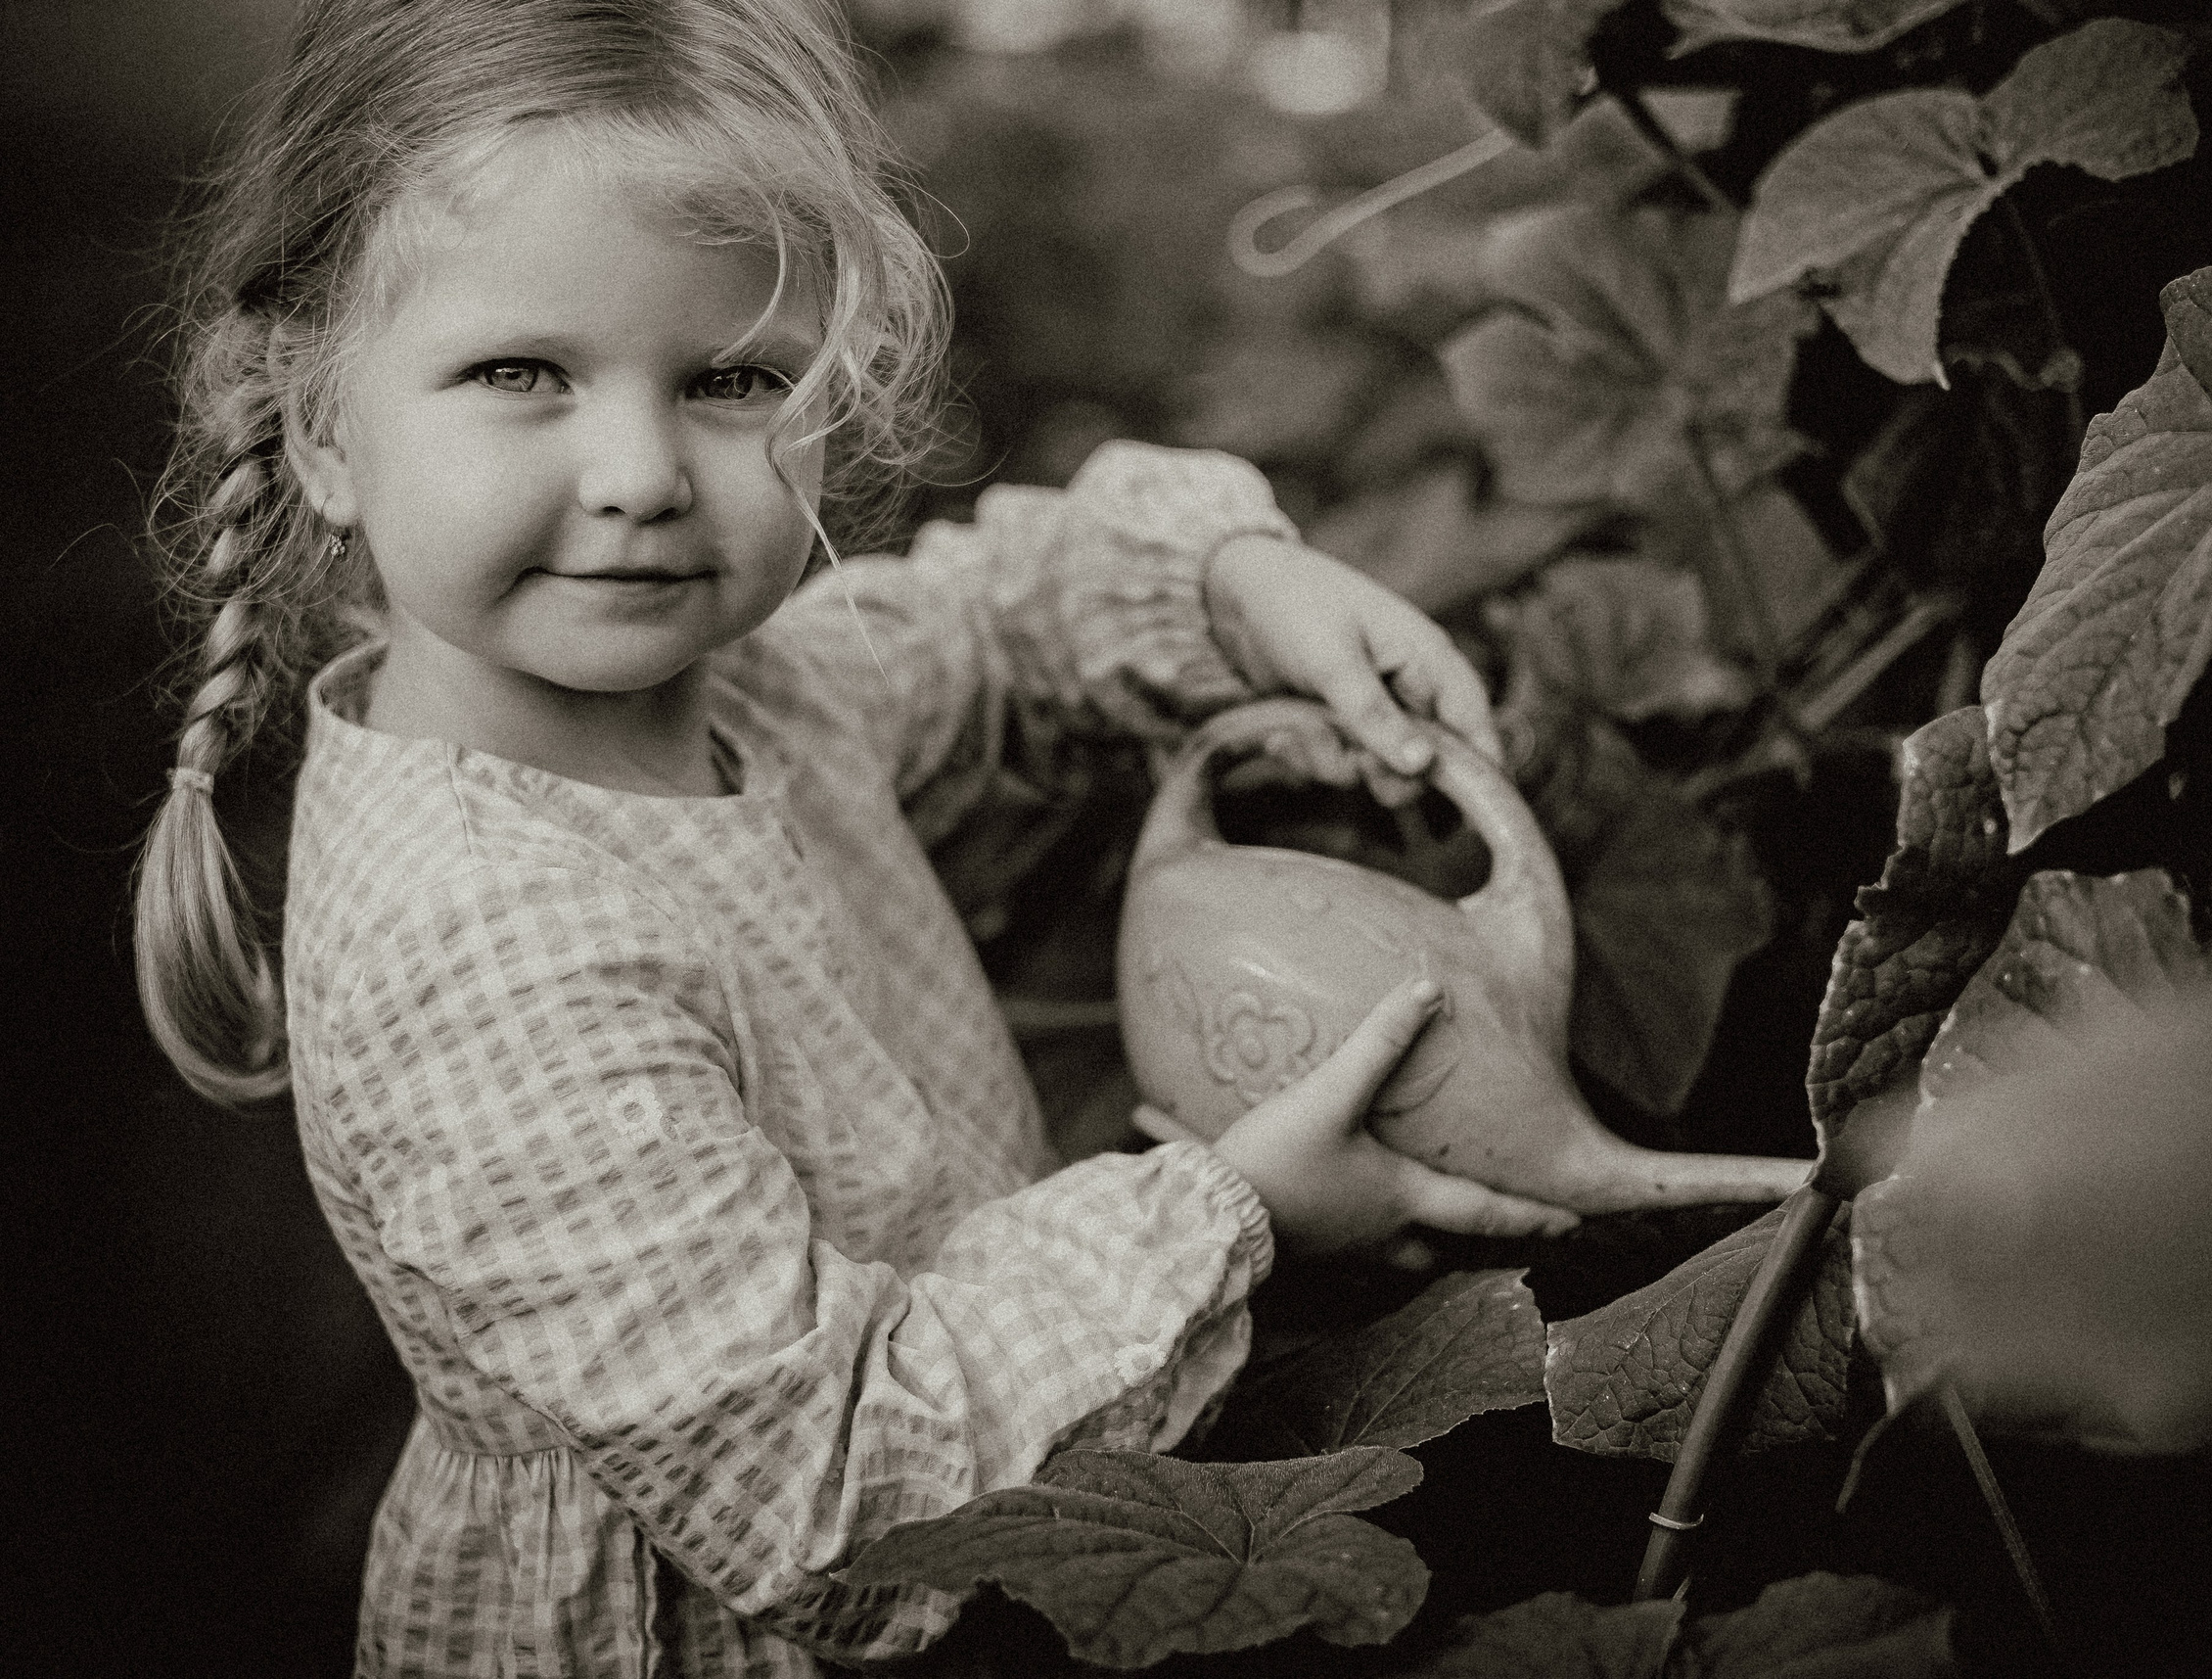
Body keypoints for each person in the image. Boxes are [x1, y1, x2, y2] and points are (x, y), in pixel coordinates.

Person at [128, 3, 1579, 1673]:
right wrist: (1234, 1213)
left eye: (735, 379)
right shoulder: (488, 949)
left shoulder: (752, 695)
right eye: (522, 375)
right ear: (319, 424)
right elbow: (831, 1502)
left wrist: (1238, 585)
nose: (642, 474)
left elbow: (989, 626)